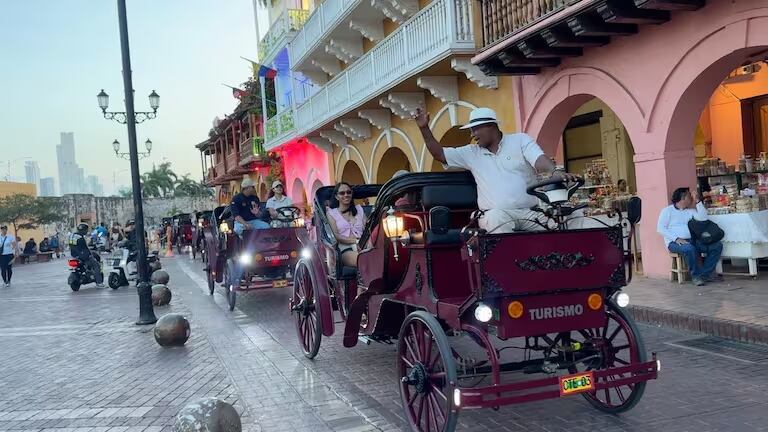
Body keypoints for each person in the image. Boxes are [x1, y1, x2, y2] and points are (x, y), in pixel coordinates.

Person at [414, 107, 578, 233]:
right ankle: (508, 271)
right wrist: (424, 128)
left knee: (568, 219)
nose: (472, 134)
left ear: (491, 126)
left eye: (475, 129)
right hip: (496, 214)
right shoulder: (471, 153)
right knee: (496, 218)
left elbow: (539, 159)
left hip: (530, 212)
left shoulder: (519, 140)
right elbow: (439, 154)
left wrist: (554, 171)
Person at [657, 187, 723, 286]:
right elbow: (660, 228)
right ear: (683, 198)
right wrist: (676, 238)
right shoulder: (667, 211)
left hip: (693, 240)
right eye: (689, 196)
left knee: (717, 246)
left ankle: (704, 274)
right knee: (689, 248)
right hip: (674, 242)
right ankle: (696, 276)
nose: (691, 198)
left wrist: (697, 201)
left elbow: (704, 218)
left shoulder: (690, 211)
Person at [327, 182, 365, 268]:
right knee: (362, 259)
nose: (346, 195)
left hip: (364, 245)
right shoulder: (331, 213)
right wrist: (355, 241)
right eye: (342, 193)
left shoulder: (359, 210)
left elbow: (367, 229)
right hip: (345, 248)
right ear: (337, 197)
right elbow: (335, 235)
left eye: (348, 192)